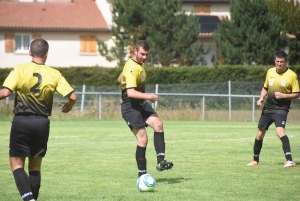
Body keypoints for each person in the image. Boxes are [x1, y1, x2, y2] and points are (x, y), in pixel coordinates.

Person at [0, 38, 76, 201]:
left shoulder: (20, 69)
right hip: (42, 123)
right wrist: (69, 105)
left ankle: (29, 199)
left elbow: (5, 93)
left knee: (16, 165)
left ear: (29, 52)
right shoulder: (54, 73)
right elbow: (73, 96)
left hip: (22, 121)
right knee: (35, 168)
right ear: (47, 54)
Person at [120, 40, 173, 177]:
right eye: (142, 54)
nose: (144, 57)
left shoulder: (137, 64)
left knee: (158, 124)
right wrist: (149, 96)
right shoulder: (132, 67)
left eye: (147, 54)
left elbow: (120, 79)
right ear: (135, 51)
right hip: (130, 106)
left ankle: (161, 162)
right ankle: (142, 175)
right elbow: (130, 93)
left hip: (140, 103)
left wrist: (124, 76)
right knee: (143, 139)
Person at [247, 51, 299, 168]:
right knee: (260, 133)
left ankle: (289, 160)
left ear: (286, 62)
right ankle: (255, 160)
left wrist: (284, 95)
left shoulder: (292, 75)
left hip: (281, 109)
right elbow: (265, 87)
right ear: (274, 61)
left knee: (279, 132)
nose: (279, 64)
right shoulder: (270, 72)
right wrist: (261, 98)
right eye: (277, 61)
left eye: (282, 62)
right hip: (268, 108)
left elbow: (296, 94)